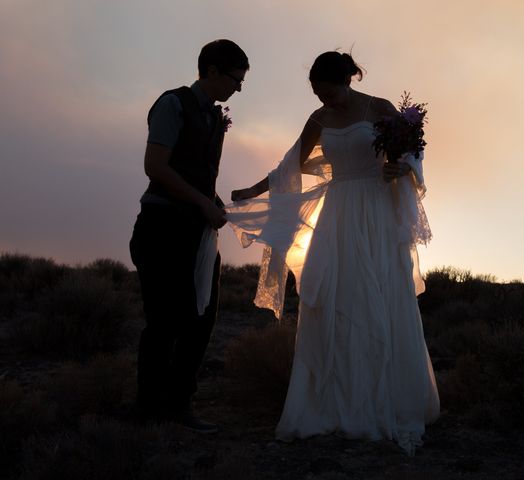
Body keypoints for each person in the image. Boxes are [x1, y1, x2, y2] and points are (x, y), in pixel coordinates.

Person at [225, 51, 439, 454]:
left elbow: (413, 152)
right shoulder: (318, 120)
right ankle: (334, 401)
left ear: (346, 80)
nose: (323, 100)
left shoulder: (379, 108)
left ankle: (386, 399)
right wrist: (253, 192)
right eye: (317, 94)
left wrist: (404, 168)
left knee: (380, 296)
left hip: (376, 211)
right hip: (338, 215)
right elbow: (289, 166)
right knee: (336, 299)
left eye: (327, 92)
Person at [129, 39, 249, 432]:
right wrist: (203, 202)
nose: (238, 88)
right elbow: (156, 167)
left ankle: (179, 404)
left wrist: (213, 202)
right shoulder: (173, 105)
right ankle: (148, 409)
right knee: (163, 320)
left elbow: (197, 172)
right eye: (235, 79)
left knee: (202, 317)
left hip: (197, 232)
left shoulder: (215, 118)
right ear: (212, 71)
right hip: (163, 226)